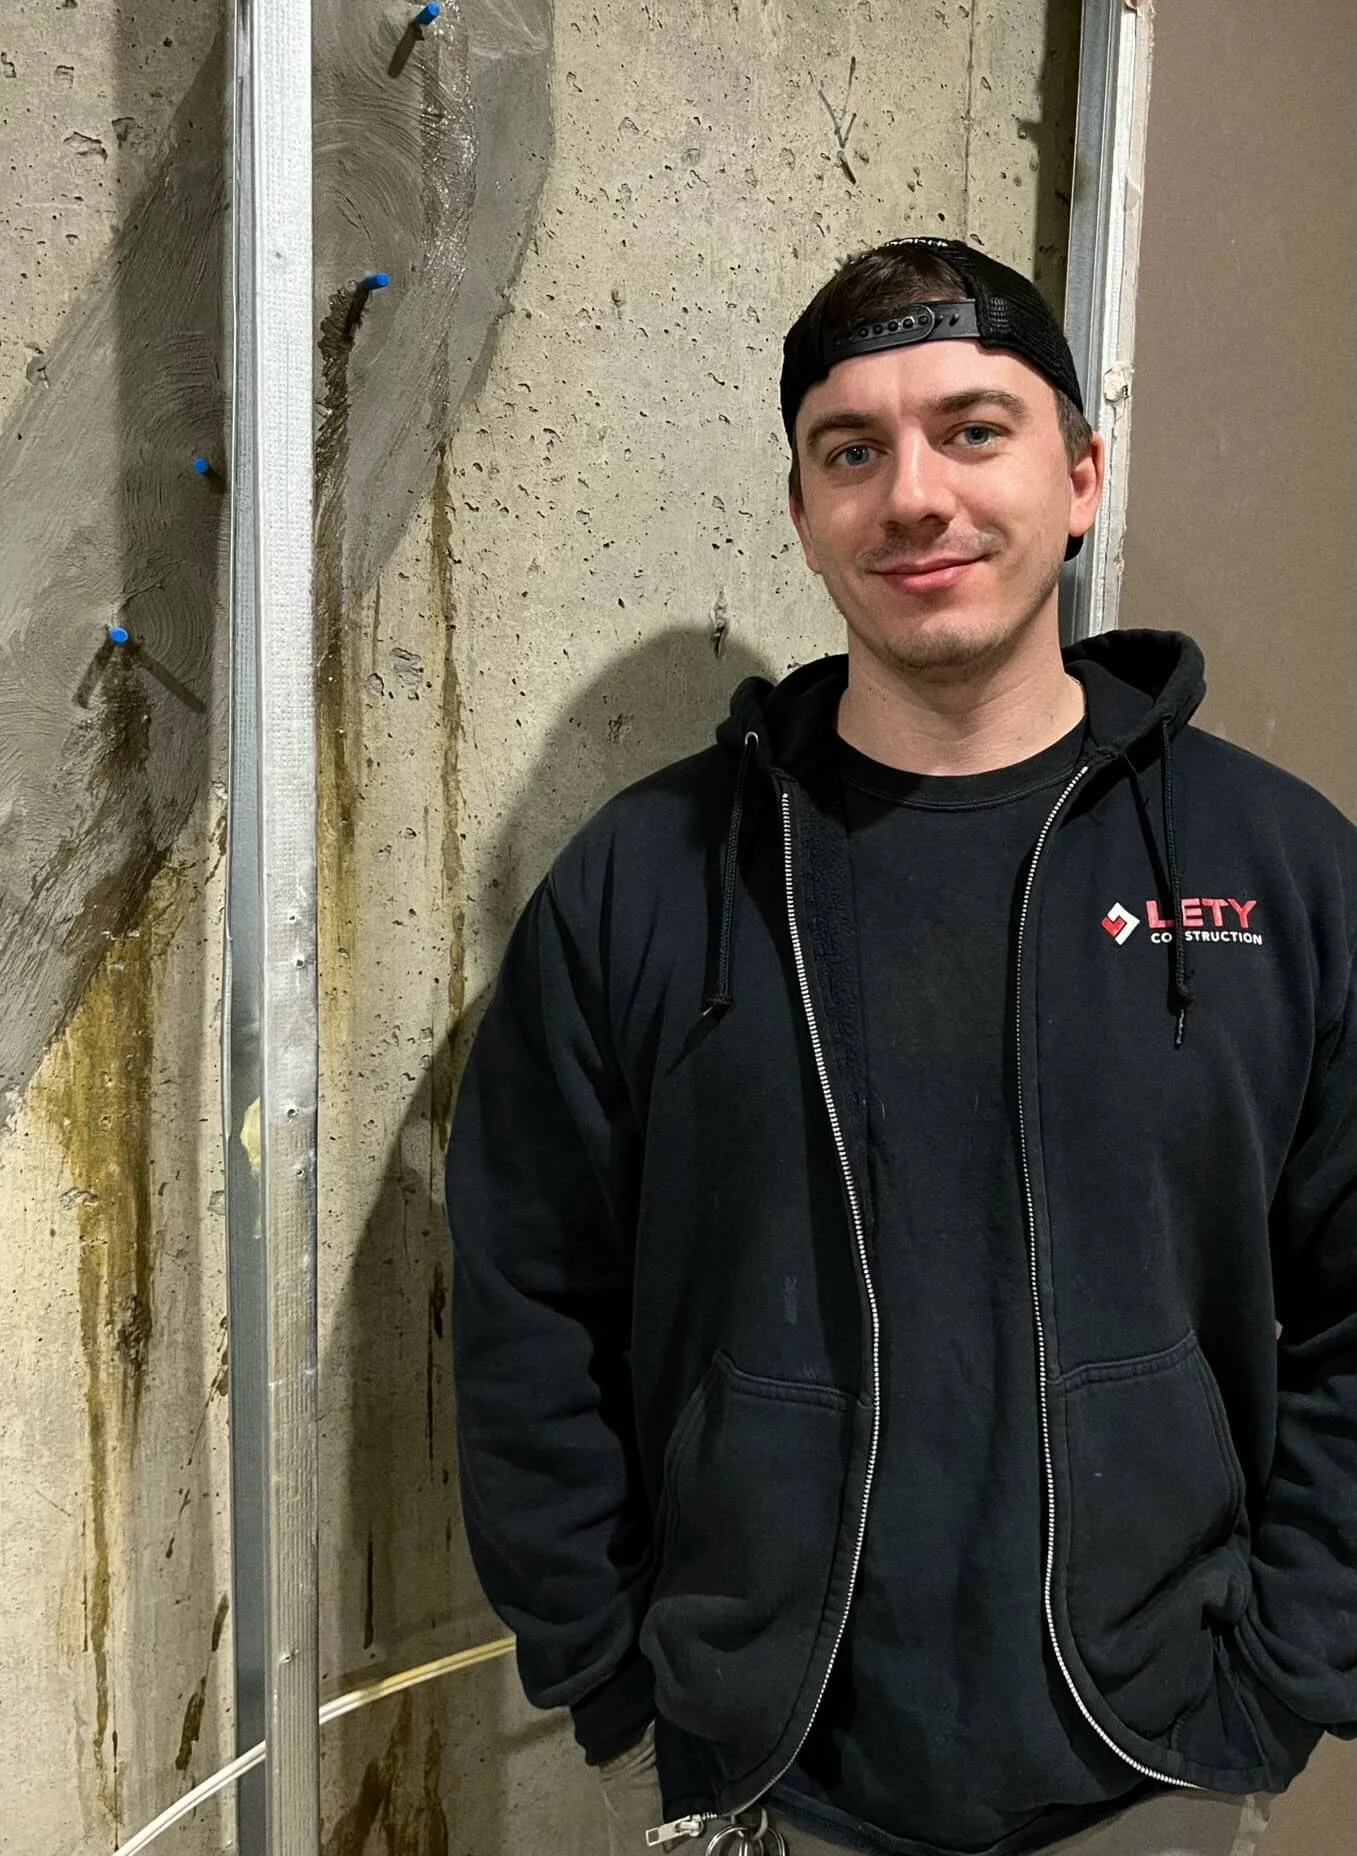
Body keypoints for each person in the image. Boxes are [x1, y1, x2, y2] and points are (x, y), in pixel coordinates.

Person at [444, 237, 1357, 1856]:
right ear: (804, 514)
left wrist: (1287, 1671)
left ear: (1080, 479)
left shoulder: (1280, 874)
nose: (915, 496)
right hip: (768, 1775)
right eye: (852, 451)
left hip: (1160, 1762)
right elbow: (528, 1303)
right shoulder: (647, 882)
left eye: (973, 431)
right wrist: (616, 1679)